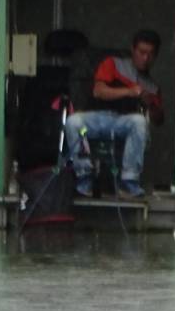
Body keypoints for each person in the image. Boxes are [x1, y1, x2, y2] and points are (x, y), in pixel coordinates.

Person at [63, 29, 165, 199]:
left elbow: (159, 120)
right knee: (73, 122)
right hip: (96, 119)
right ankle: (84, 178)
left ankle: (129, 182)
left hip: (123, 123)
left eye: (150, 54)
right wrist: (129, 91)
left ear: (155, 56)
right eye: (142, 52)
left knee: (139, 121)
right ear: (133, 50)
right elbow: (98, 91)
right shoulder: (113, 64)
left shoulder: (152, 86)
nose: (145, 58)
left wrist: (151, 105)